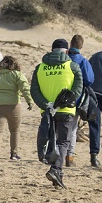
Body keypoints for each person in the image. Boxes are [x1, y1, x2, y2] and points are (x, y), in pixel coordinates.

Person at [30, 38, 82, 189]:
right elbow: (78, 89)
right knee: (63, 142)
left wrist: (46, 104)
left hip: (47, 111)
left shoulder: (40, 68)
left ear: (51, 50)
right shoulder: (72, 66)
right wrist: (64, 102)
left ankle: (57, 173)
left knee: (51, 141)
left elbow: (35, 91)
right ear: (66, 51)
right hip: (66, 110)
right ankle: (56, 170)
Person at [0, 55, 29, 161]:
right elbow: (25, 88)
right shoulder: (17, 74)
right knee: (15, 130)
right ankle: (14, 153)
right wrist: (29, 102)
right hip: (14, 105)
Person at [66, 35, 94, 166]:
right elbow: (89, 80)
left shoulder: (64, 59)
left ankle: (57, 153)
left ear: (71, 44)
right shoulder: (83, 61)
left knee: (57, 128)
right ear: (81, 46)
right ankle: (69, 157)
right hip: (76, 99)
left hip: (58, 96)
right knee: (72, 129)